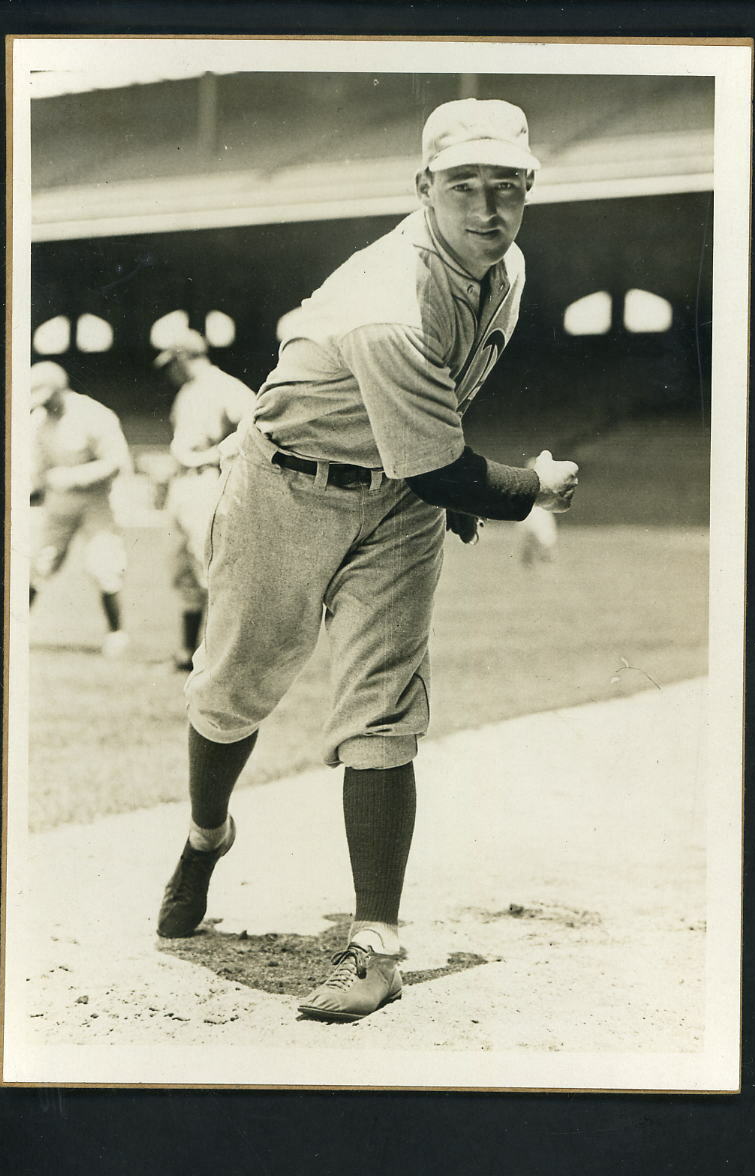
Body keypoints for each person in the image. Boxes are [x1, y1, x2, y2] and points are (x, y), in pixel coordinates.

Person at [156, 98, 580, 1022]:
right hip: (285, 484)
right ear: (423, 188)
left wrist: (444, 489)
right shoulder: (386, 297)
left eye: (506, 187)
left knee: (384, 709)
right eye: (463, 186)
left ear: (528, 192)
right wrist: (531, 486)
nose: (487, 209)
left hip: (395, 497)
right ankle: (204, 836)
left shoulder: (505, 266)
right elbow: (441, 464)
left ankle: (376, 942)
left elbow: (430, 443)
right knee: (233, 690)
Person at [154, 331, 257, 670]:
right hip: (183, 484)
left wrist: (215, 455)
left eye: (172, 362)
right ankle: (188, 654)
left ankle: (222, 657)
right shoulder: (188, 391)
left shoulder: (226, 387)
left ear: (183, 356)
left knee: (210, 568)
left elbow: (256, 431)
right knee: (182, 571)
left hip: (208, 481)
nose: (169, 371)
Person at [29, 360, 133, 657]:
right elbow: (36, 464)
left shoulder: (94, 415)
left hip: (97, 501)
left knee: (104, 564)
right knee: (38, 563)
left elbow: (116, 462)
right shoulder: (39, 419)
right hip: (59, 501)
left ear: (58, 389)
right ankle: (14, 629)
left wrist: (73, 478)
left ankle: (116, 633)